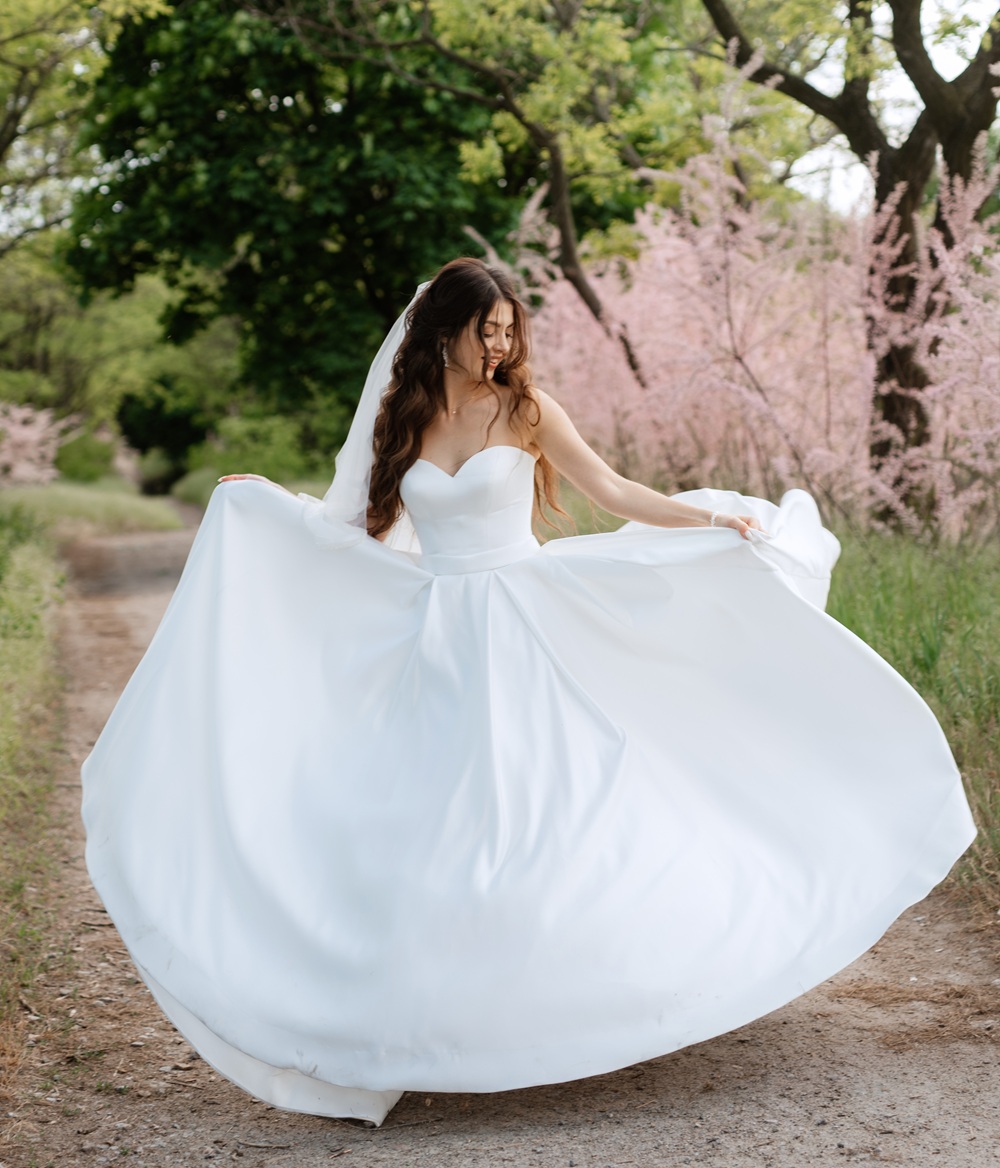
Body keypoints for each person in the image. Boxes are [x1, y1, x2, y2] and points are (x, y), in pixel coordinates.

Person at [81, 256, 975, 1127]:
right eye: (486, 330)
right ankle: (432, 1021)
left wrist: (714, 516)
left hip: (530, 618)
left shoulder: (529, 409)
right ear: (445, 332)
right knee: (441, 826)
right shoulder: (409, 415)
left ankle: (595, 988)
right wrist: (262, 502)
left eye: (510, 329)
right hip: (442, 638)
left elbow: (615, 489)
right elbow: (347, 526)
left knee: (555, 806)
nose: (501, 345)